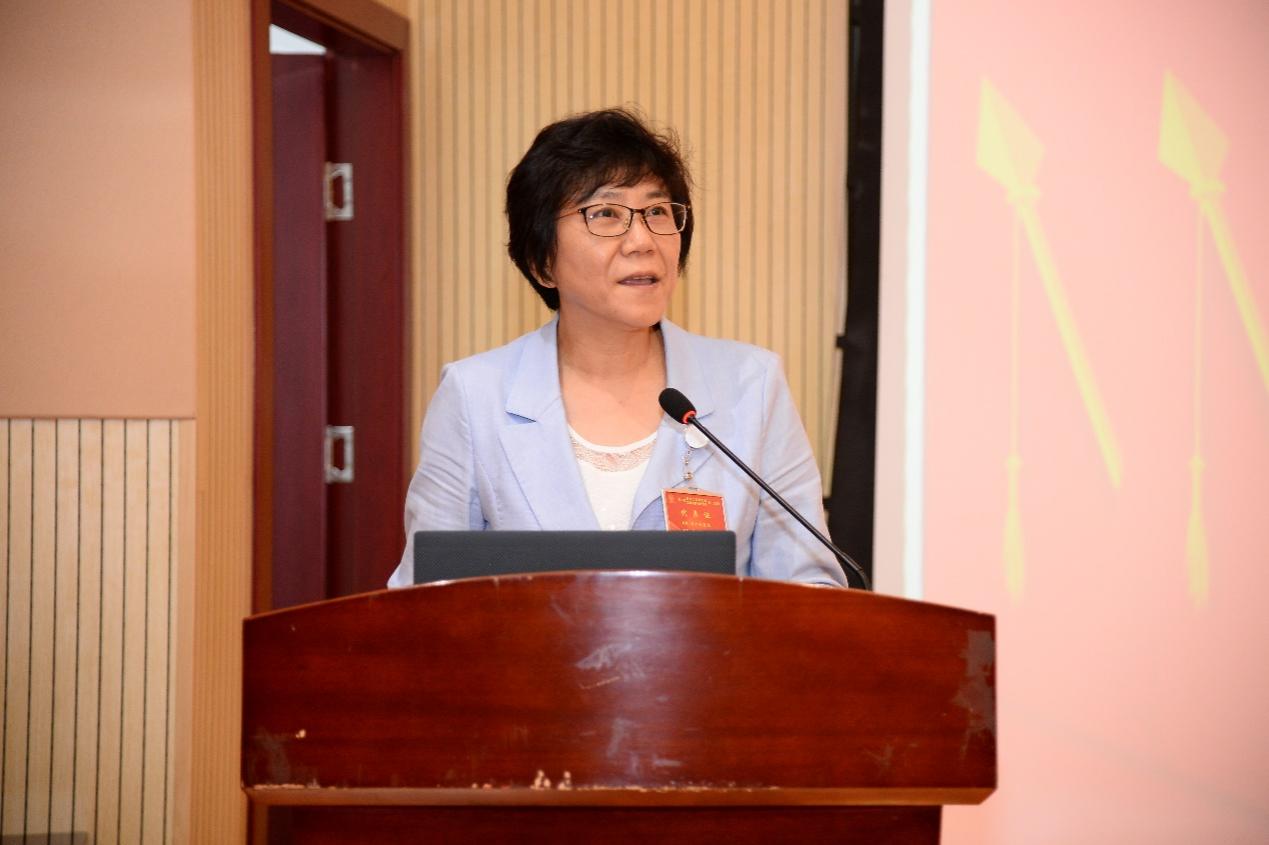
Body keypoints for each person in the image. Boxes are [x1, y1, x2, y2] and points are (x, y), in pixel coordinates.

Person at [387, 108, 847, 588]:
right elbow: (423, 599)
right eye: (606, 214)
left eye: (657, 211)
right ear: (542, 262)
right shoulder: (474, 395)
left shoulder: (752, 383)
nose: (642, 241)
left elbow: (809, 594)